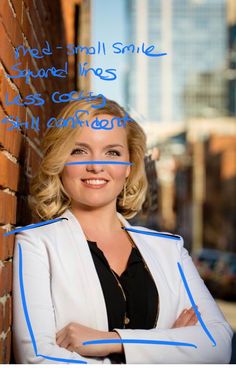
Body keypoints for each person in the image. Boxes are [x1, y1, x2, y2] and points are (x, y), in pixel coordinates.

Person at [12, 96, 233, 364]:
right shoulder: (37, 244)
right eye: (79, 151)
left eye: (112, 152)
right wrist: (170, 349)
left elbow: (219, 344)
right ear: (60, 161)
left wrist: (110, 342)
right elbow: (37, 360)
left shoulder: (169, 249)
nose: (96, 166)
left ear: (129, 166)